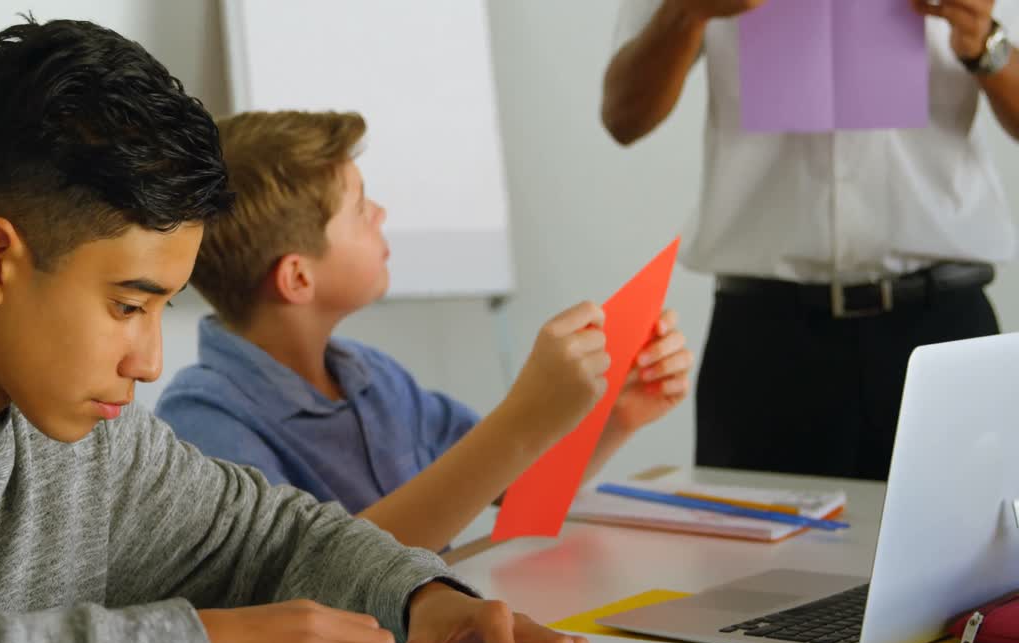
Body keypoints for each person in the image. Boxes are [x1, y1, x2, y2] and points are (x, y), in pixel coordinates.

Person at [0, 18, 588, 643]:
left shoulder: (83, 439)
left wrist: (424, 603)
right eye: (127, 305)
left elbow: (274, 535)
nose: (147, 362)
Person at [157, 110, 693, 552]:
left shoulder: (375, 378)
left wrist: (615, 418)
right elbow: (311, 576)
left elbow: (513, 487)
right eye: (360, 208)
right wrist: (522, 419)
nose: (381, 213)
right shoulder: (203, 420)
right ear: (299, 277)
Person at [602, 0, 1018, 480]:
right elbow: (622, 116)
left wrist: (984, 41)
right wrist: (685, 12)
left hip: (942, 330)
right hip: (767, 343)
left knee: (967, 547)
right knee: (751, 549)